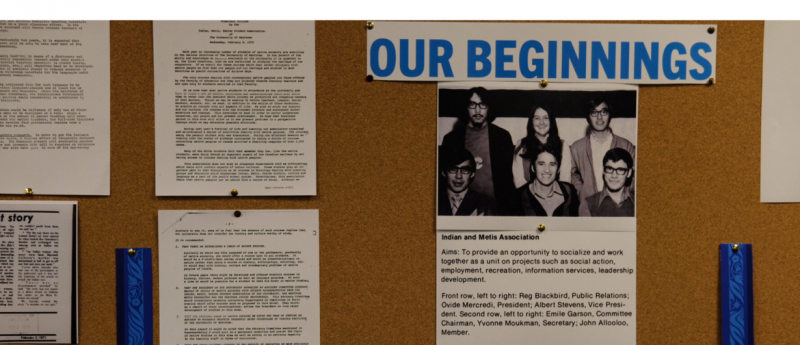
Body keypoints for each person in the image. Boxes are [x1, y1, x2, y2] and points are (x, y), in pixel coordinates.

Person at [441, 87, 515, 215]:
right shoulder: (451, 139)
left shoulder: (502, 136)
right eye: (472, 104)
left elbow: (508, 179)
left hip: (497, 208)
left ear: (489, 107)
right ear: (466, 107)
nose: (477, 110)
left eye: (482, 105)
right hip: (463, 208)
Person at [570, 100, 635, 202]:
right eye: (594, 112)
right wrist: (581, 192)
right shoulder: (577, 147)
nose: (599, 117)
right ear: (588, 116)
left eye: (604, 112)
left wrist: (625, 196)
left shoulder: (626, 145)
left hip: (619, 206)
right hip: (588, 208)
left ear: (610, 115)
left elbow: (634, 175)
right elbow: (573, 176)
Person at [512, 143, 579, 216]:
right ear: (533, 168)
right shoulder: (518, 197)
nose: (547, 170)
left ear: (558, 169)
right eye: (541, 164)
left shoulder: (569, 191)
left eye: (552, 164)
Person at [512, 103, 565, 188]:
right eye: (537, 118)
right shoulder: (521, 145)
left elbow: (565, 180)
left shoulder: (563, 145)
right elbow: (519, 180)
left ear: (551, 121)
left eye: (546, 118)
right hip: (528, 196)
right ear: (531, 121)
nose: (541, 122)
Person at [438, 146, 495, 216]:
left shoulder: (487, 204)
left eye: (465, 170)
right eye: (453, 169)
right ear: (444, 172)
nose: (458, 176)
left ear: (472, 174)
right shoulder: (434, 199)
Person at [579, 148, 635, 217]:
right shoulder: (587, 204)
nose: (614, 176)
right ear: (603, 171)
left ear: (629, 173)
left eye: (620, 170)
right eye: (609, 169)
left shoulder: (637, 203)